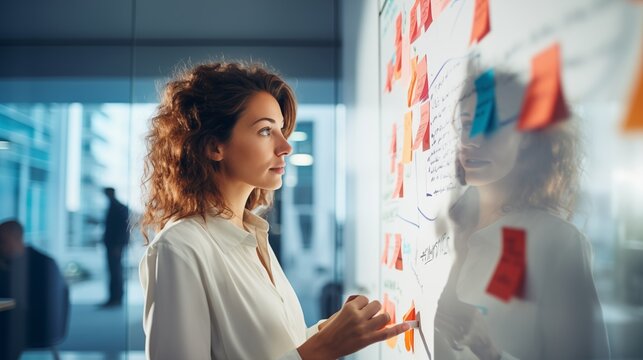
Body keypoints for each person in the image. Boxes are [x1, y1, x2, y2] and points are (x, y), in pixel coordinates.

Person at [139, 62, 410, 360]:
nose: (285, 146)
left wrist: (324, 333)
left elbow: (267, 350)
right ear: (215, 146)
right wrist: (320, 349)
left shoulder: (252, 236)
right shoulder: (180, 247)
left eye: (281, 129)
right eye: (265, 130)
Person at [434, 71, 609, 360]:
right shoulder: (450, 231)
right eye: (466, 124)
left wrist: (491, 353)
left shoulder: (558, 243)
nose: (472, 140)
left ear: (526, 137)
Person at [0, 220, 69, 360]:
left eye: (2, 241)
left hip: (33, 326)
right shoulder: (41, 261)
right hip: (34, 323)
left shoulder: (35, 266)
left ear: (16, 238)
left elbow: (22, 302)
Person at [100, 187, 130, 308]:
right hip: (112, 245)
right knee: (114, 271)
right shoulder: (115, 206)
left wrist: (118, 245)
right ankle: (113, 298)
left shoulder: (118, 207)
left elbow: (123, 229)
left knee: (116, 272)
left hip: (115, 246)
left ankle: (116, 298)